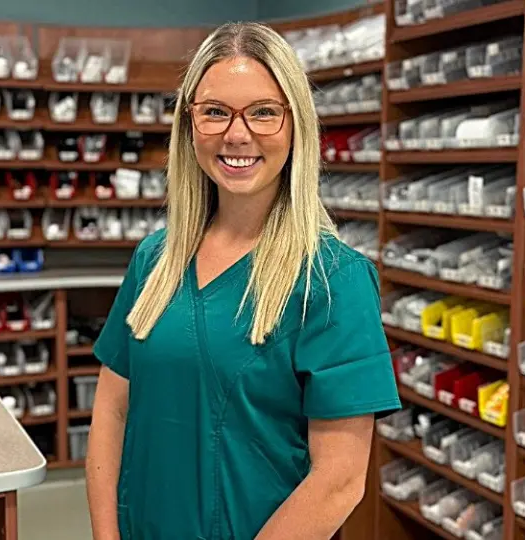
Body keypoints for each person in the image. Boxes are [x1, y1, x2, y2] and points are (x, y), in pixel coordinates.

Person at [86, 21, 401, 540]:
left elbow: (339, 481)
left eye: (264, 112)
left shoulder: (333, 281)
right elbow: (111, 411)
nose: (237, 134)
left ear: (296, 124)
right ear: (189, 125)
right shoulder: (154, 261)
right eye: (214, 111)